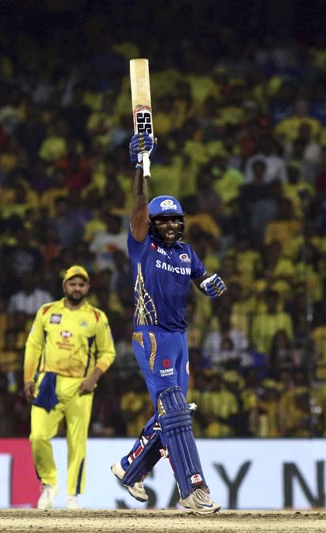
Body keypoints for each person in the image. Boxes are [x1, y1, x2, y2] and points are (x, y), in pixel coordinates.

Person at [110, 133, 226, 514]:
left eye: (176, 219)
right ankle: (193, 488)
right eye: (164, 220)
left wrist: (210, 285)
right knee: (175, 409)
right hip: (152, 334)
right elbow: (138, 207)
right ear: (153, 223)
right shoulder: (143, 244)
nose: (171, 225)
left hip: (179, 339)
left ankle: (130, 468)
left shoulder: (186, 253)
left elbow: (202, 279)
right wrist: (140, 168)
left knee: (173, 414)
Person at [23, 265, 116, 510]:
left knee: (77, 442)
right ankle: (49, 483)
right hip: (48, 382)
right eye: (72, 284)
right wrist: (28, 378)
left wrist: (93, 378)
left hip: (80, 386)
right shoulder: (47, 311)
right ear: (64, 286)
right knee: (38, 436)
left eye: (81, 284)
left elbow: (108, 352)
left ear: (87, 288)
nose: (77, 288)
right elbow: (33, 345)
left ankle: (72, 495)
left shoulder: (97, 317)